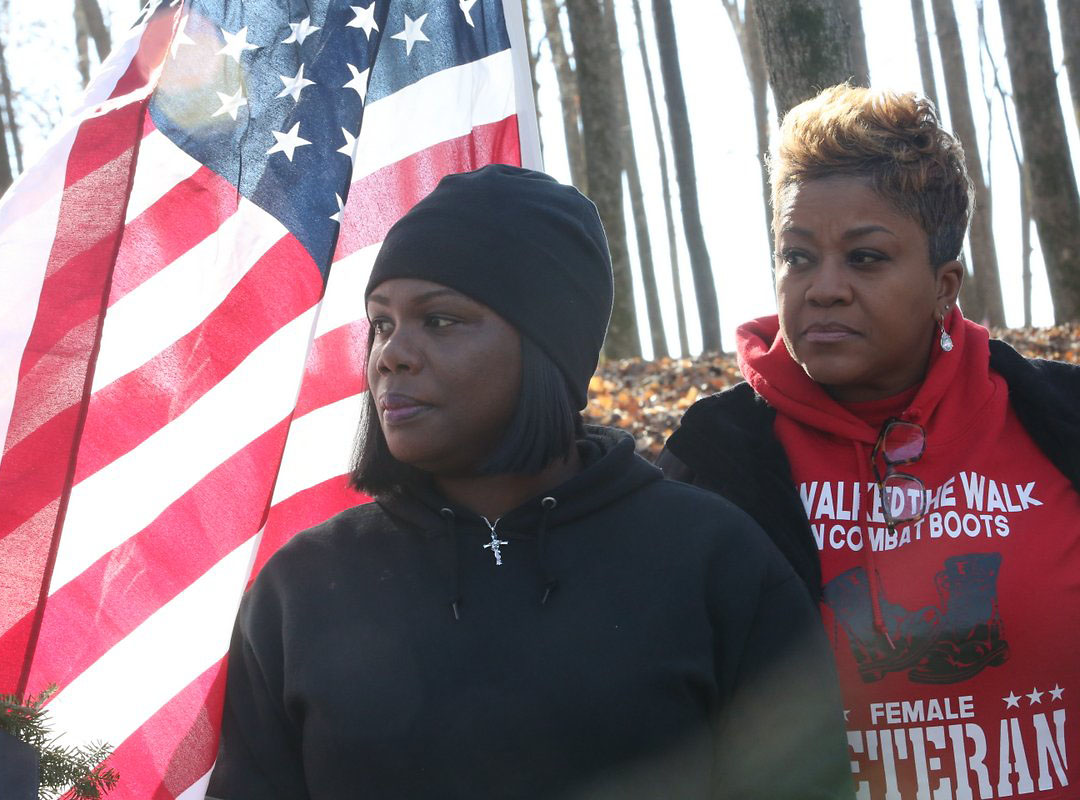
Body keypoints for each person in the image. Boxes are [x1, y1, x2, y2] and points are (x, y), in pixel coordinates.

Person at [208, 165, 850, 799]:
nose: (390, 354)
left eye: (438, 320)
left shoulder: (715, 560)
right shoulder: (301, 590)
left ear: (548, 346)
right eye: (381, 323)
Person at [660, 84, 1080, 800]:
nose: (823, 288)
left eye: (865, 259)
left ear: (944, 284)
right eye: (797, 257)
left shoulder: (1061, 419)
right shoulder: (708, 463)